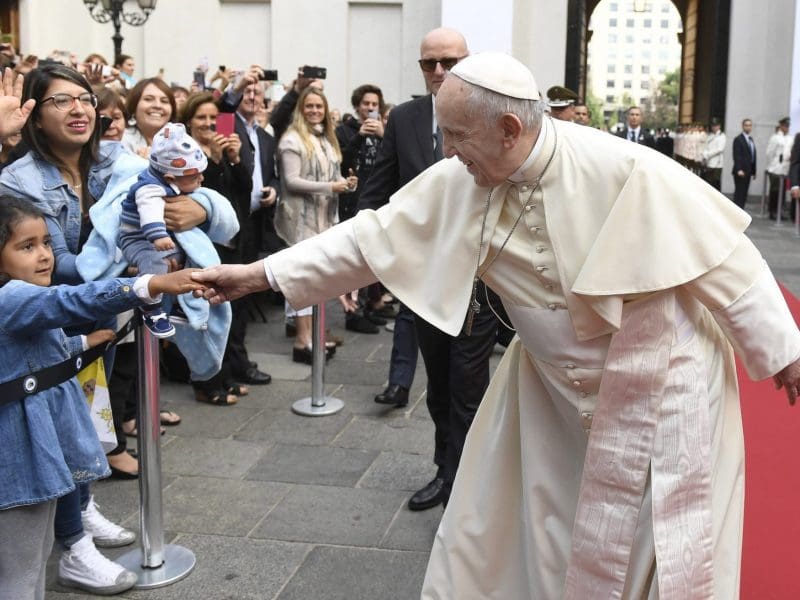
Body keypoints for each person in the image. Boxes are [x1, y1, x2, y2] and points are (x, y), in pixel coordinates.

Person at [192, 52, 800, 599]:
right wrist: (258, 275)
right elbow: (368, 240)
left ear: (511, 128)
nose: (448, 150)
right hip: (553, 394)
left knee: (660, 534)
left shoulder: (627, 168)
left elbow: (729, 262)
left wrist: (784, 350)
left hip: (660, 379)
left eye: (457, 135)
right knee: (538, 522)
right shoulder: (464, 176)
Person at [0, 196, 205, 599]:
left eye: (45, 243)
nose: (43, 255)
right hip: (17, 457)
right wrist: (148, 284)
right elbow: (69, 300)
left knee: (31, 559)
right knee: (19, 570)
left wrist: (80, 341)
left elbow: (30, 350)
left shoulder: (20, 297)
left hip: (32, 452)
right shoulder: (11, 298)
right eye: (26, 247)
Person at [357, 27, 498, 512]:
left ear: (468, 61)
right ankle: (445, 471)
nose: (439, 72)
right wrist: (363, 259)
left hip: (481, 288)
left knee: (468, 390)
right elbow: (377, 194)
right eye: (429, 63)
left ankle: (468, 485)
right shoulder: (406, 118)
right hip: (424, 285)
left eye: (449, 62)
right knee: (439, 388)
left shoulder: (493, 116)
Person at [180, 90, 255, 403]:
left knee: (231, 312)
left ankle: (227, 374)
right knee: (209, 314)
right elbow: (199, 197)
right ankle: (208, 383)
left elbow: (242, 190)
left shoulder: (223, 151)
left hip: (232, 241)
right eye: (202, 118)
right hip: (204, 245)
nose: (209, 123)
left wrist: (234, 159)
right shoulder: (186, 154)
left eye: (214, 118)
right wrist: (210, 155)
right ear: (188, 122)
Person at [274, 86, 357, 364]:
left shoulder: (325, 137)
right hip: (301, 219)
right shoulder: (292, 139)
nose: (314, 111)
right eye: (308, 106)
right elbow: (292, 181)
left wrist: (345, 183)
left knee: (318, 277)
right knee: (303, 279)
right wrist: (331, 186)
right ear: (300, 108)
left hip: (325, 218)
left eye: (318, 106)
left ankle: (315, 335)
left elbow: (332, 174)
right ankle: (302, 340)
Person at [119, 122, 207, 337]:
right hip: (137, 239)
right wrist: (157, 236)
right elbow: (150, 211)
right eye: (195, 177)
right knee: (155, 264)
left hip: (156, 239)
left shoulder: (167, 181)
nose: (201, 180)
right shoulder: (149, 188)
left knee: (186, 255)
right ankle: (150, 308)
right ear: (170, 178)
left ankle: (179, 303)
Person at [121, 78, 176, 157]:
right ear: (134, 106)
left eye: (164, 101)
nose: (158, 105)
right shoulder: (121, 140)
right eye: (148, 99)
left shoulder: (181, 140)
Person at [765, 116, 792, 220]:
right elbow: (769, 153)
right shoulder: (775, 137)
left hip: (785, 169)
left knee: (782, 192)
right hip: (775, 168)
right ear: (781, 126)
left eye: (788, 126)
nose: (787, 128)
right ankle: (772, 211)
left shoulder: (789, 138)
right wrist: (773, 164)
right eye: (785, 126)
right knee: (774, 191)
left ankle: (780, 211)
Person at [732, 117, 757, 208]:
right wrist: (739, 169)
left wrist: (754, 171)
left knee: (744, 194)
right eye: (746, 125)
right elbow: (736, 155)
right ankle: (736, 213)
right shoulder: (738, 139)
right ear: (742, 126)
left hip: (748, 171)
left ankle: (741, 212)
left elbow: (753, 156)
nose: (748, 127)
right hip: (741, 171)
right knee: (739, 193)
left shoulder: (750, 139)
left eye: (750, 125)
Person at [702, 118, 726, 190]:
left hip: (717, 164)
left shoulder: (722, 136)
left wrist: (708, 154)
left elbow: (719, 149)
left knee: (716, 184)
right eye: (712, 125)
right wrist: (704, 153)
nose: (714, 127)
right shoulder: (710, 135)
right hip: (709, 163)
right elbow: (706, 146)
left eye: (716, 125)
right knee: (709, 184)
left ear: (719, 126)